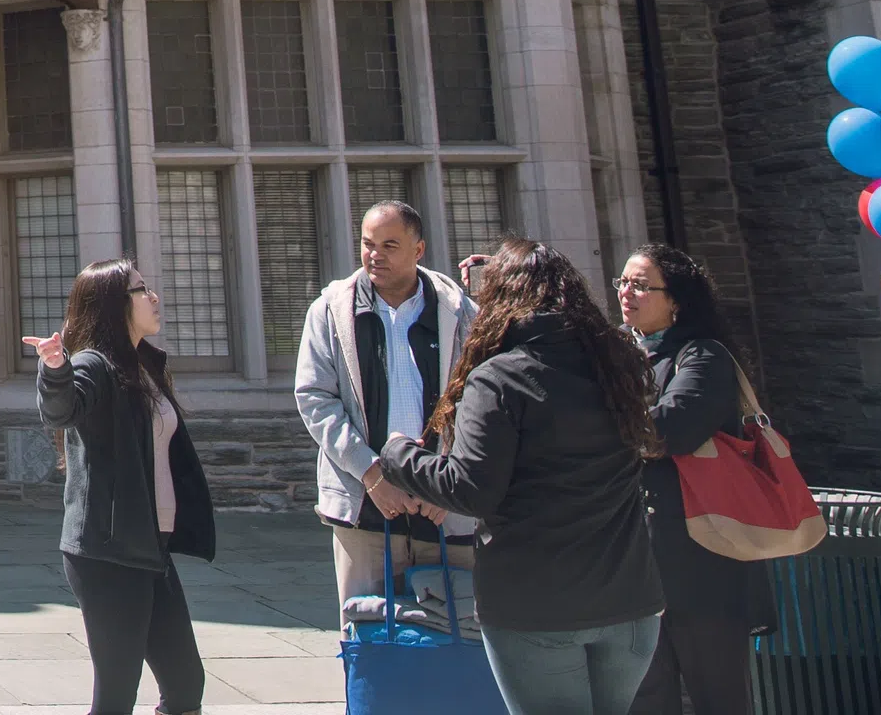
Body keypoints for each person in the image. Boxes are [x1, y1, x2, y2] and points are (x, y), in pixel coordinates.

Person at [375, 239, 665, 715]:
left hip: (538, 605)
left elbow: (470, 488)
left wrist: (397, 454)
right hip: (629, 602)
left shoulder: (499, 378)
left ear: (498, 302)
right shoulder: (618, 365)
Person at [30, 259, 214, 715]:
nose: (153, 297)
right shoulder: (94, 364)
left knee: (186, 683)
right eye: (141, 289)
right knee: (115, 696)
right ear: (115, 305)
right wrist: (55, 369)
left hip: (151, 547)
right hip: (108, 553)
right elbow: (63, 409)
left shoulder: (143, 364)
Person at [294, 199, 480, 611]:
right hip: (364, 508)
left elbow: (478, 403)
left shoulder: (462, 313)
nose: (374, 255)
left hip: (446, 507)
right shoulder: (330, 311)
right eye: (368, 244)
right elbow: (315, 398)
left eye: (390, 245)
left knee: (458, 636)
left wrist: (446, 482)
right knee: (368, 636)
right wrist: (372, 475)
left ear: (419, 250)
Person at [619, 244, 776, 715]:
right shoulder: (615, 355)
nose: (627, 293)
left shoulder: (703, 356)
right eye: (623, 282)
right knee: (645, 701)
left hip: (703, 565)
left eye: (641, 285)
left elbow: (670, 429)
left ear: (677, 300)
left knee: (718, 698)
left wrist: (599, 424)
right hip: (634, 567)